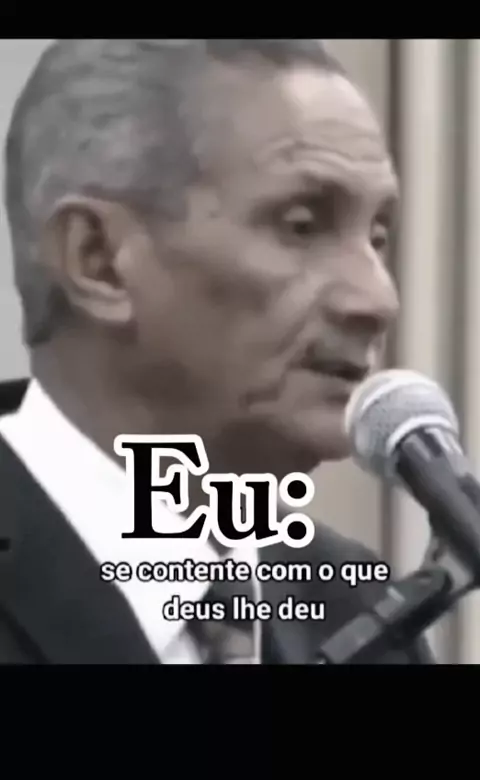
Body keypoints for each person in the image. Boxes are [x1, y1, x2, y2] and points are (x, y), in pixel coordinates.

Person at [0, 39, 432, 664]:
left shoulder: (362, 611)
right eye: (302, 224)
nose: (378, 299)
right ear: (99, 261)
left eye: (378, 237)